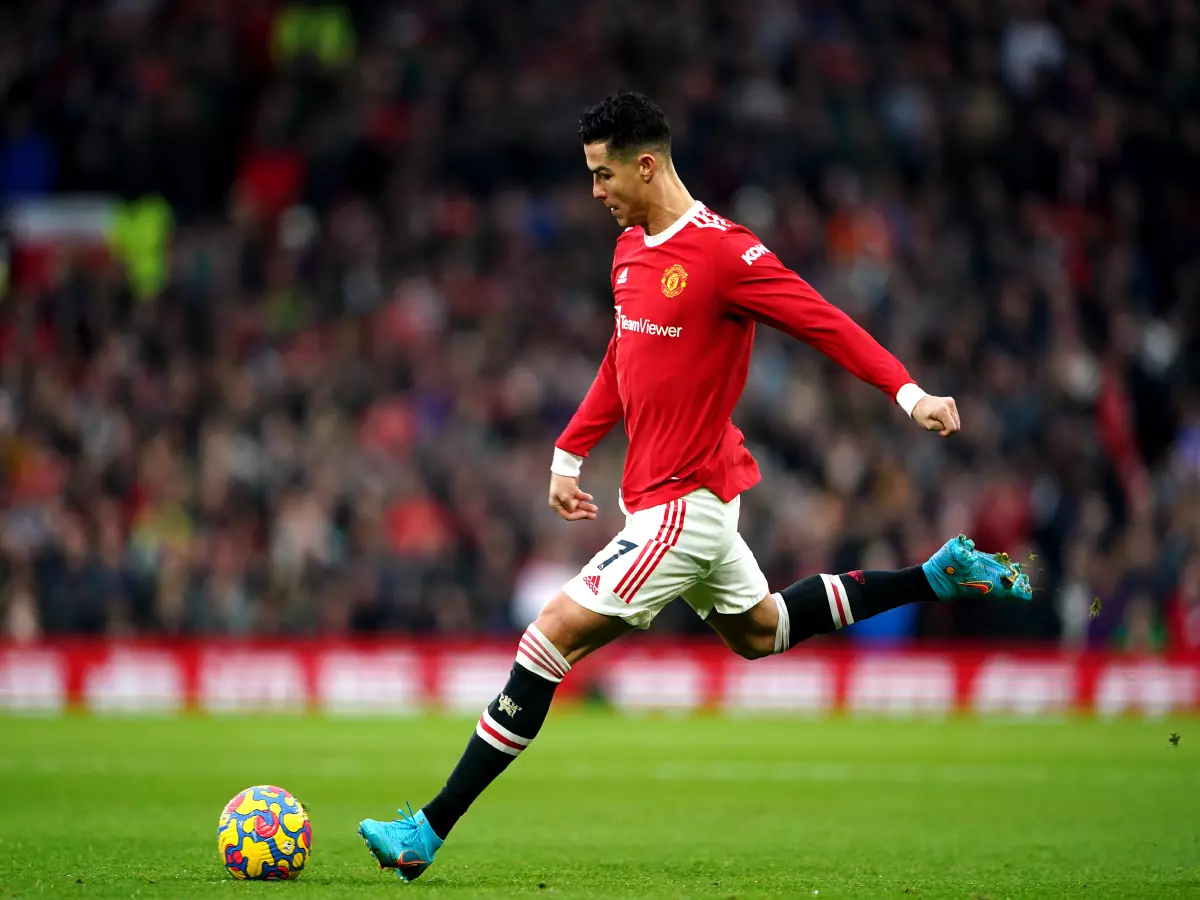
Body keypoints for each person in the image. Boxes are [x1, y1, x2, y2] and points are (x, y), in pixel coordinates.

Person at [357, 90, 1032, 881]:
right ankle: (934, 574)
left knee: (549, 636)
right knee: (759, 630)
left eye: (604, 175)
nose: (596, 192)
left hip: (689, 503)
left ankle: (428, 829)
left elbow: (823, 319)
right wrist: (568, 453)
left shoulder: (725, 255)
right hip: (665, 494)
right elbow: (623, 359)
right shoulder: (628, 252)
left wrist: (909, 393)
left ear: (646, 165)